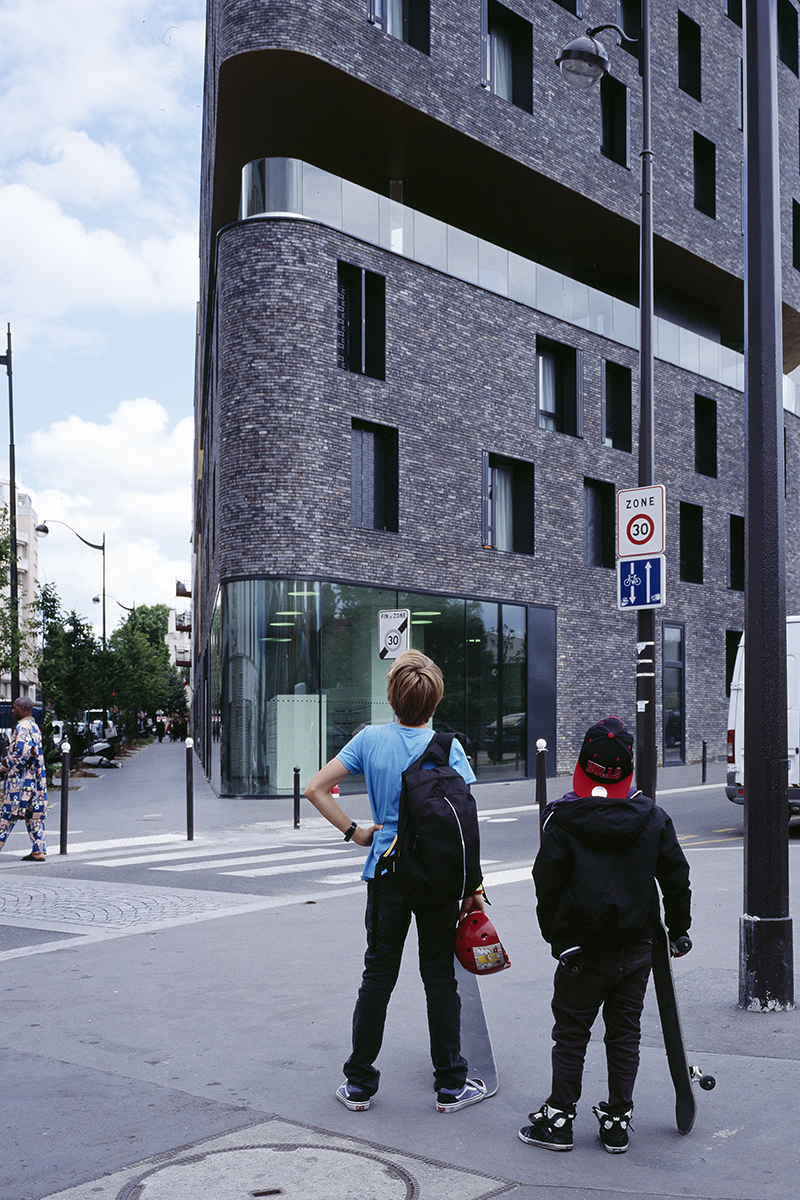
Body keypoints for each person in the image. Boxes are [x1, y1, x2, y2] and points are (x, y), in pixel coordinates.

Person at [304, 649, 488, 1114]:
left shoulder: (370, 740)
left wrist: (355, 831)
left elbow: (314, 789)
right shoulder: (450, 747)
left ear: (392, 696)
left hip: (386, 871)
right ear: (434, 699)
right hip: (439, 877)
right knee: (439, 978)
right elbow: (464, 823)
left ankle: (359, 1084)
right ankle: (450, 1084)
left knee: (378, 975)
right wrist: (473, 887)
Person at [519, 716, 691, 1154]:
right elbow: (676, 876)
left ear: (583, 766)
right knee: (624, 1033)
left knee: (572, 1032)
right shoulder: (652, 816)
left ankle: (559, 1118)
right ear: (628, 769)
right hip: (637, 948)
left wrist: (556, 939)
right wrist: (678, 929)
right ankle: (616, 1119)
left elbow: (547, 883)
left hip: (581, 950)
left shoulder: (561, 818)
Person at [0, 697, 48, 862]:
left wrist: (7, 763)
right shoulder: (34, 727)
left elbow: (22, 752)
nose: (12, 711)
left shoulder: (21, 727)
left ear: (21, 709)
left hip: (21, 782)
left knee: (7, 814)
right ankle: (38, 850)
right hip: (36, 781)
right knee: (33, 815)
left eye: (14, 708)